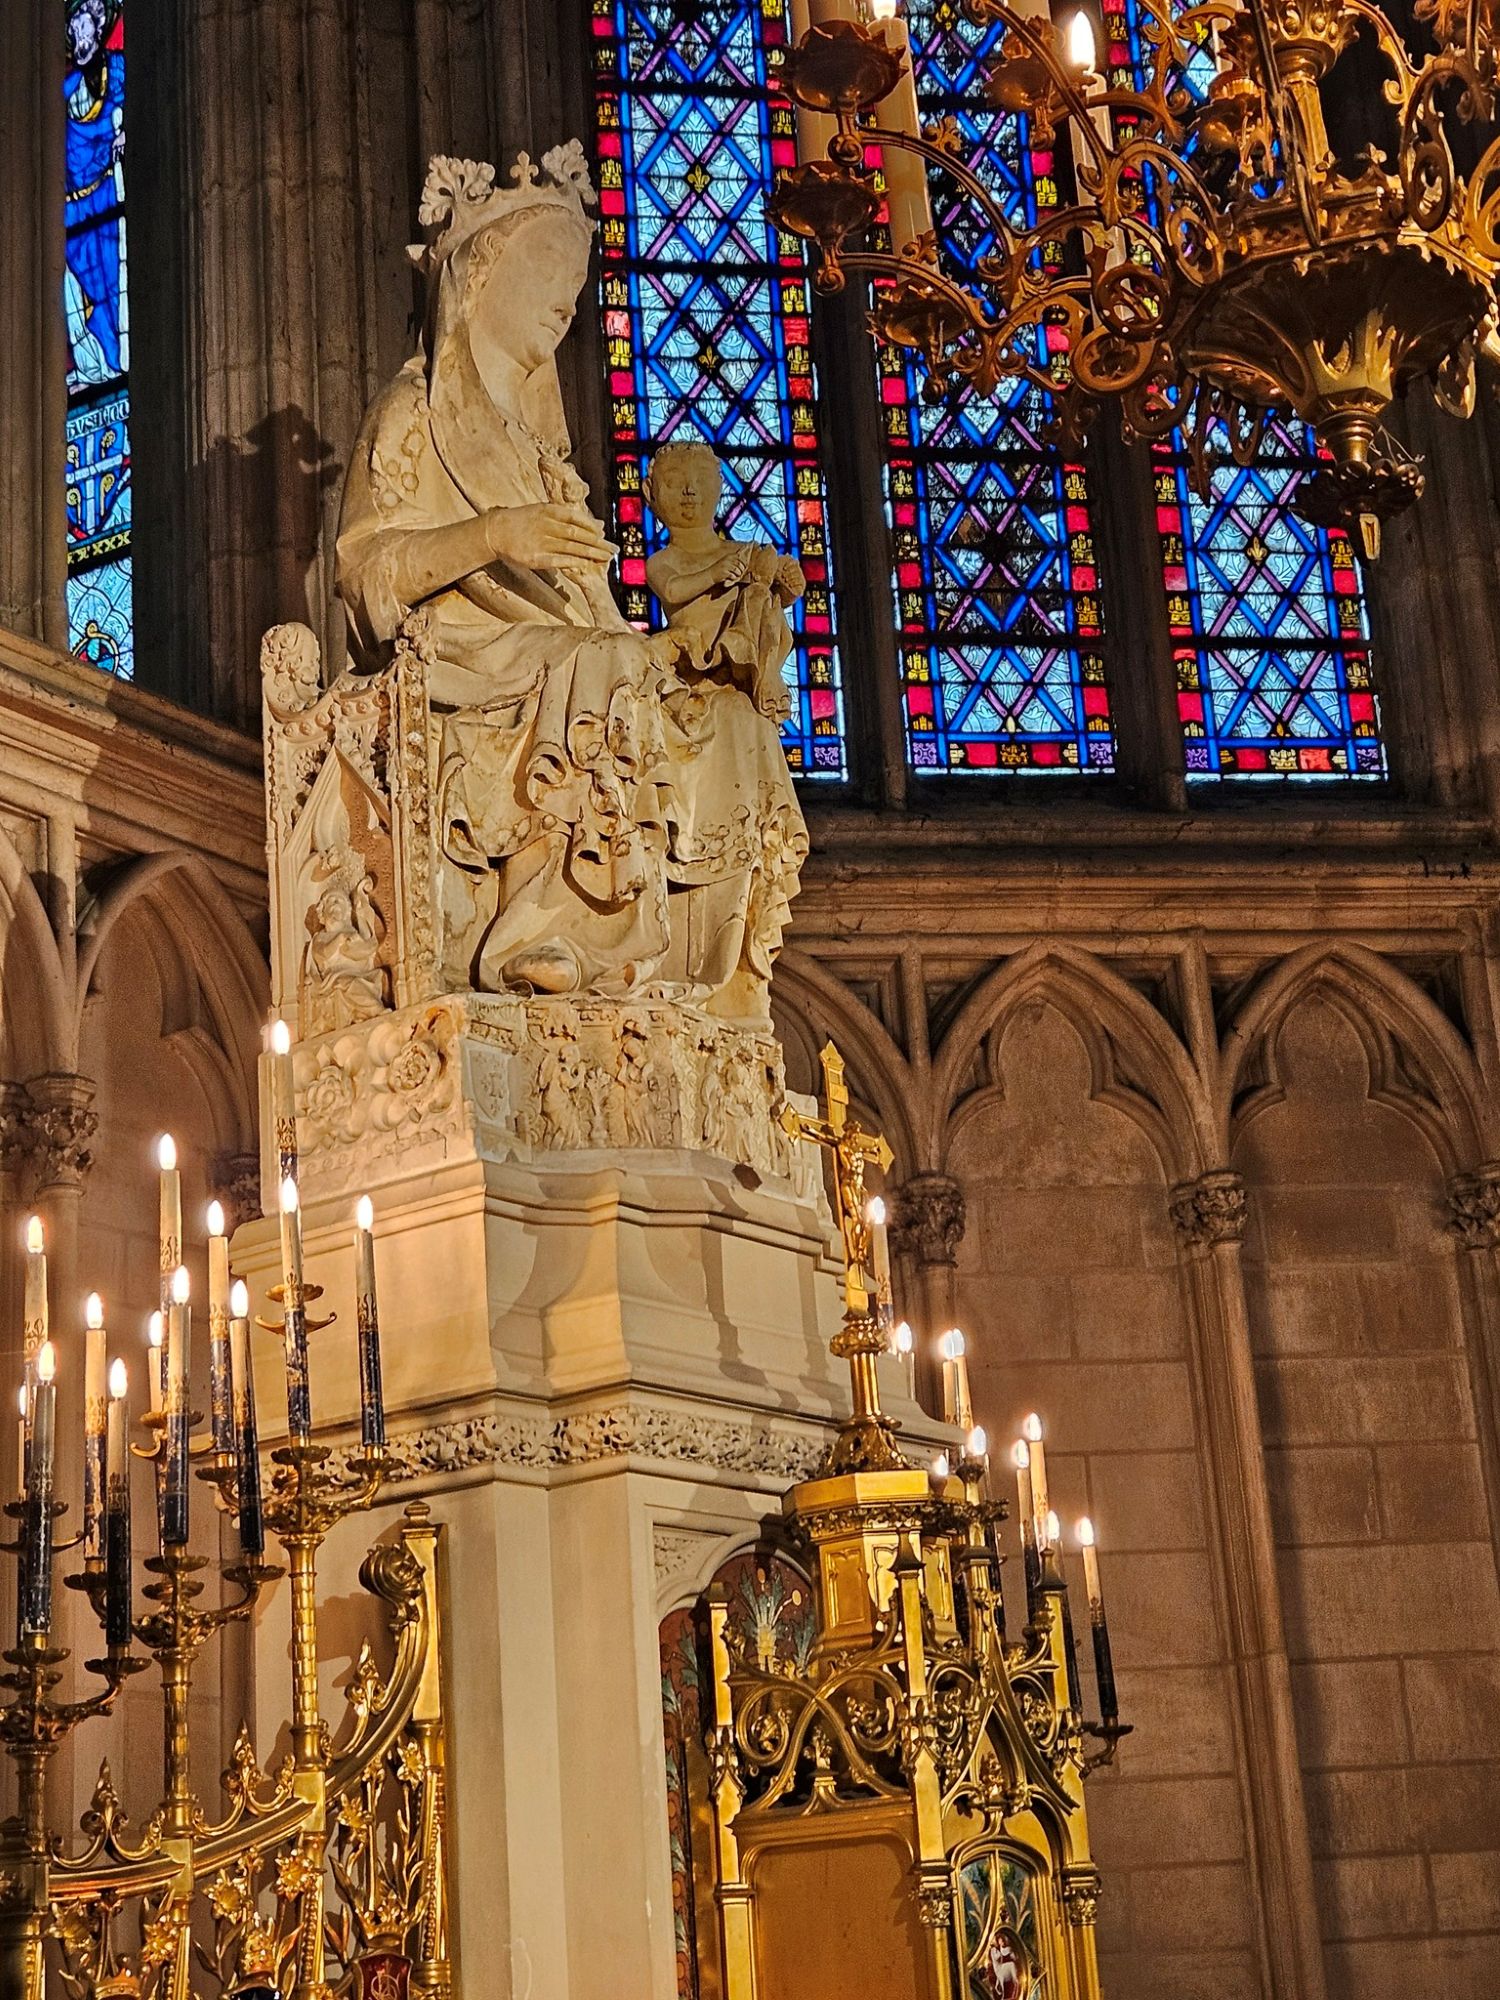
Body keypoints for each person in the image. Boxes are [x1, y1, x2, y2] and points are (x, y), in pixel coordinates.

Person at [335, 149, 806, 1023]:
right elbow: (364, 571)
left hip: (557, 655)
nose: (569, 299)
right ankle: (549, 937)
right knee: (597, 670)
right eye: (548, 269)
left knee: (727, 711)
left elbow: (594, 614)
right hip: (462, 664)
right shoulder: (415, 415)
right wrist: (491, 535)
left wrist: (670, 651)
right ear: (483, 278)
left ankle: (711, 985)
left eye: (580, 279)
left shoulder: (545, 457)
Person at [645, 441, 804, 726]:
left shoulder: (743, 552)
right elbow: (672, 589)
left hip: (740, 686)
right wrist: (713, 574)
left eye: (701, 480)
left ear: (719, 487)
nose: (690, 491)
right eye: (674, 482)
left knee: (747, 724)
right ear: (650, 493)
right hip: (691, 679)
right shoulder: (662, 560)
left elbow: (770, 601)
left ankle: (765, 682)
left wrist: (788, 586)